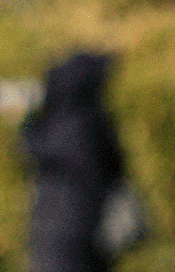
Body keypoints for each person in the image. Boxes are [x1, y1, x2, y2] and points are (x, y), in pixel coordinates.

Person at [24, 52, 126, 272]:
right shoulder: (86, 121)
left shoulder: (49, 118)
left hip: (49, 223)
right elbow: (106, 168)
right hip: (80, 222)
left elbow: (32, 150)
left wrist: (27, 120)